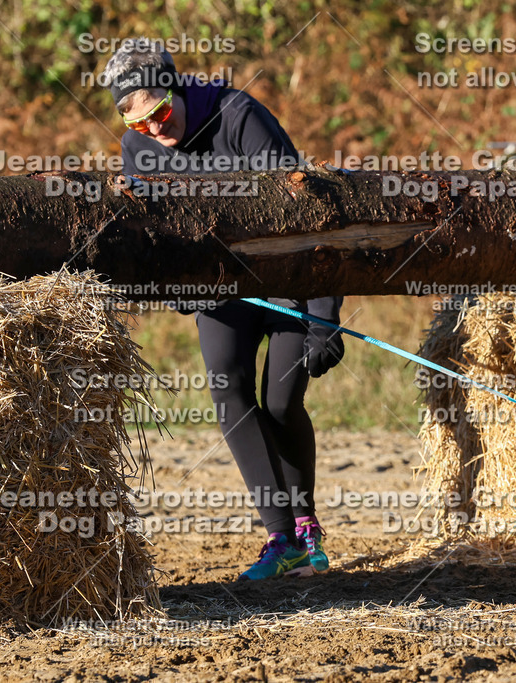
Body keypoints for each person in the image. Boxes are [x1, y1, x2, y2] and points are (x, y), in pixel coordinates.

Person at [101, 39, 344, 580]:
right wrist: (175, 289)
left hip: (286, 281)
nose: (154, 128)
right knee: (228, 393)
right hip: (218, 289)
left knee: (279, 403)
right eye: (139, 123)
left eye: (161, 112)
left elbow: (309, 214)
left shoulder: (238, 116)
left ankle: (307, 523)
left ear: (176, 89)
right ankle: (282, 538)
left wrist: (325, 316)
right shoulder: (138, 146)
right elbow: (156, 235)